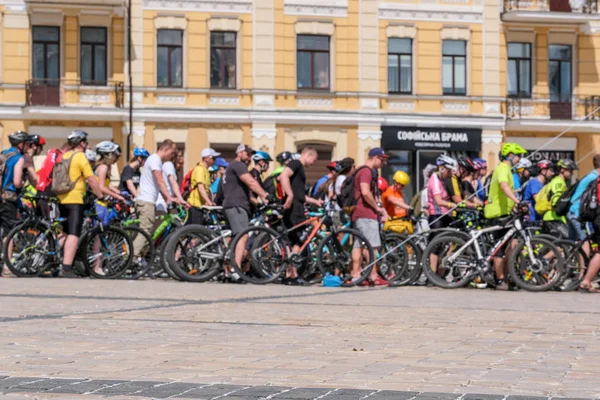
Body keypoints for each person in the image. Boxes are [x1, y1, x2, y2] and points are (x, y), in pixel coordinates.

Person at [56, 130, 104, 278]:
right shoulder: (80, 157)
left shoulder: (65, 155)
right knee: (73, 234)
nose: (86, 145)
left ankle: (54, 261)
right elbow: (91, 179)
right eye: (86, 142)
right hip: (75, 199)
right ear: (81, 143)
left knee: (63, 232)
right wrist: (101, 195)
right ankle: (66, 268)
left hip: (61, 198)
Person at [484, 142, 527, 291]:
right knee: (500, 249)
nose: (520, 159)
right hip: (498, 213)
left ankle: (508, 277)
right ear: (510, 155)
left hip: (506, 213)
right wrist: (518, 201)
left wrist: (515, 205)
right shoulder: (503, 168)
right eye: (518, 156)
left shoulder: (508, 169)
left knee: (512, 245)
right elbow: (503, 186)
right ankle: (500, 280)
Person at [223, 144, 270, 277]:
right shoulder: (239, 166)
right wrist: (265, 195)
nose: (249, 157)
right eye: (247, 154)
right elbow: (251, 182)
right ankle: (236, 270)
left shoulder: (229, 168)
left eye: (251, 155)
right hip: (237, 206)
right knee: (242, 235)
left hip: (229, 205)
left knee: (233, 238)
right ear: (239, 153)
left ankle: (227, 271)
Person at [133, 140, 182, 266]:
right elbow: (160, 182)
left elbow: (159, 185)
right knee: (146, 230)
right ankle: (132, 258)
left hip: (148, 200)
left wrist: (168, 200)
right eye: (172, 152)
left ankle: (138, 257)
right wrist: (170, 199)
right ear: (165, 149)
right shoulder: (155, 160)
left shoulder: (155, 160)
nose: (173, 156)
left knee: (147, 230)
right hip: (146, 201)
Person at [280, 146, 323, 285]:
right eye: (314, 160)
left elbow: (300, 194)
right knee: (299, 239)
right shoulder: (296, 163)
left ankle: (290, 274)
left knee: (292, 240)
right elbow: (283, 175)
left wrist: (315, 201)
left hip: (296, 205)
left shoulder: (298, 167)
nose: (313, 164)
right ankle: (293, 274)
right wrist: (290, 195)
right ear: (308, 155)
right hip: (294, 209)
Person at [350, 148, 390, 287]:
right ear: (375, 157)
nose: (383, 162)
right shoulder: (366, 171)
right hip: (366, 213)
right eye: (382, 159)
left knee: (359, 245)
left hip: (359, 213)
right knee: (371, 247)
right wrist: (377, 208)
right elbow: (366, 193)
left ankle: (356, 275)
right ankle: (373, 276)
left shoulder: (365, 171)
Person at [0, 131, 29, 276]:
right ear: (21, 144)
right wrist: (23, 183)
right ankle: (7, 267)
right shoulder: (18, 158)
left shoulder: (3, 154)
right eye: (27, 144)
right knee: (8, 233)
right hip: (9, 198)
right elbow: (17, 182)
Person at [568, 155, 600, 257]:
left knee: (569, 244)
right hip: (578, 213)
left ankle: (554, 265)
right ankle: (583, 271)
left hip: (572, 212)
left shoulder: (590, 176)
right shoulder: (594, 178)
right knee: (585, 241)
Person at [542, 159, 577, 239]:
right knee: (561, 246)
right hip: (554, 218)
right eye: (570, 170)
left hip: (555, 218)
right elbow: (555, 202)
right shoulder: (558, 182)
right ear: (562, 170)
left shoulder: (560, 182)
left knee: (556, 246)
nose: (571, 173)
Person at [188, 148, 220, 223]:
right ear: (206, 158)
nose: (215, 160)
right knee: (195, 232)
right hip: (195, 206)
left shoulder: (206, 171)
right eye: (213, 158)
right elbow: (201, 188)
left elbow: (206, 189)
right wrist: (209, 202)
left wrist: (208, 202)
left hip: (200, 206)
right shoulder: (200, 169)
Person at [157, 145, 188, 214]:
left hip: (167, 201)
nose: (181, 158)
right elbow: (173, 182)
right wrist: (180, 199)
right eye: (179, 156)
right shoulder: (169, 164)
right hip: (161, 201)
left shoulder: (171, 167)